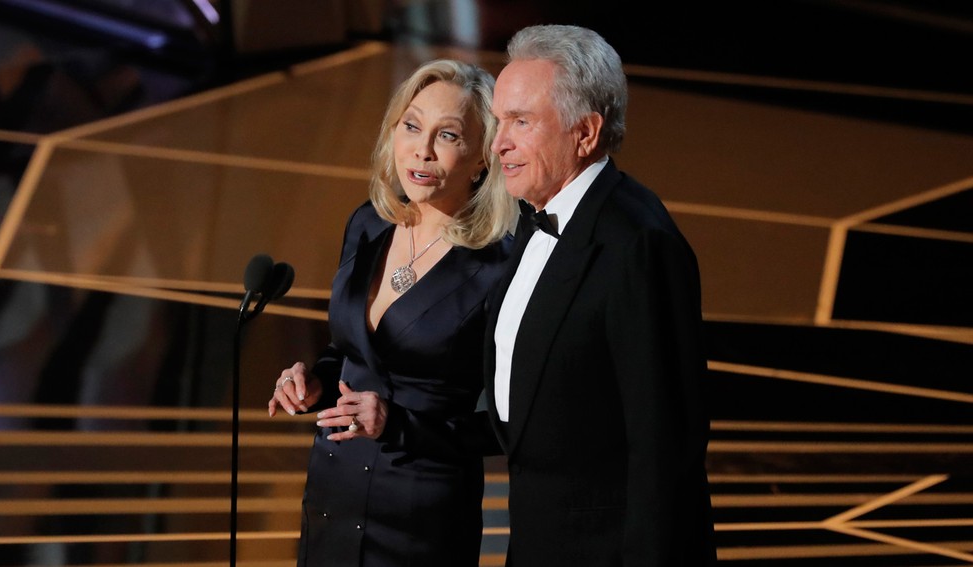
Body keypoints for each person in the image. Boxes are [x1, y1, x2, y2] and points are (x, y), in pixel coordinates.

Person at [267, 58, 516, 567]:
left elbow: (510, 422)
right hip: (333, 490)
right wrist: (314, 382)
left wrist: (398, 424)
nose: (422, 151)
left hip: (420, 514)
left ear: (482, 157)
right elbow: (348, 352)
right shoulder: (368, 223)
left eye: (448, 135)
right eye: (412, 126)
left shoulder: (500, 266)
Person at [484, 25, 717, 566]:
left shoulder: (639, 245)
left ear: (585, 132)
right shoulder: (537, 217)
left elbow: (663, 447)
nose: (499, 143)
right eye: (500, 121)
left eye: (521, 121)